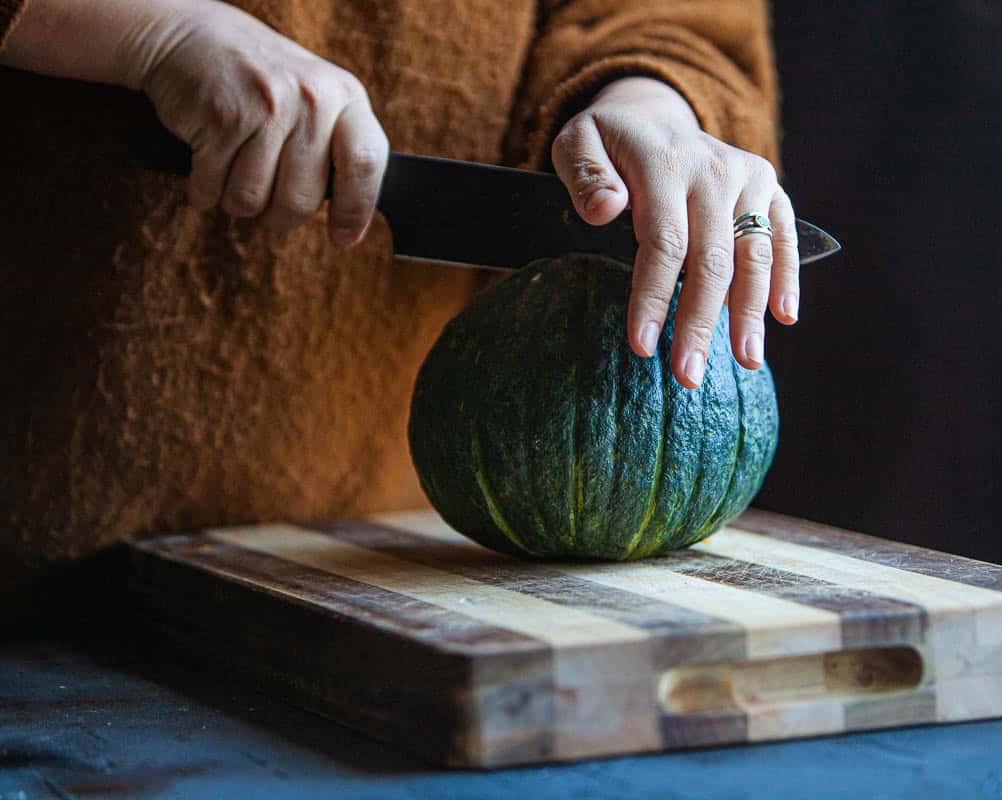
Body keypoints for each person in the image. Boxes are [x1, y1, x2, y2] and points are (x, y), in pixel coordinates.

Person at [0, 0, 797, 589]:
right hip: (42, 532)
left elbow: (676, 21)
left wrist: (651, 102)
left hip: (378, 568)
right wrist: (154, 28)